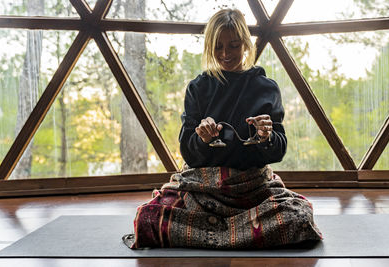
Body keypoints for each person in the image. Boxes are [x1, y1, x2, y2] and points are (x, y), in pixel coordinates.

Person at [123, 9, 322, 249]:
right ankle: (244, 234)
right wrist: (201, 139)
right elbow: (188, 152)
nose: (226, 54)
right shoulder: (198, 88)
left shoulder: (265, 88)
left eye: (234, 46)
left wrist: (266, 136)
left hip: (252, 190)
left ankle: (211, 234)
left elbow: (278, 151)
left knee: (299, 218)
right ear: (209, 47)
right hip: (203, 192)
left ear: (245, 45)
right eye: (218, 47)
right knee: (147, 218)